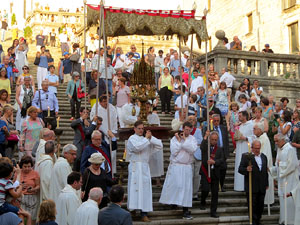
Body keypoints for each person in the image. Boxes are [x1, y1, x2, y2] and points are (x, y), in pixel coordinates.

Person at [126, 120, 163, 222]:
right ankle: (133, 210)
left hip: (144, 167)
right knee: (134, 189)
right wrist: (147, 139)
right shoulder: (131, 138)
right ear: (134, 129)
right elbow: (137, 148)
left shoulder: (146, 139)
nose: (141, 130)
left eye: (143, 128)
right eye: (139, 128)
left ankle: (144, 213)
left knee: (145, 190)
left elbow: (159, 145)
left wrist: (151, 138)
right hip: (135, 166)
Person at [159, 121, 197, 219]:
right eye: (186, 129)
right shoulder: (174, 138)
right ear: (183, 128)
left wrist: (184, 141)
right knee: (175, 186)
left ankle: (185, 209)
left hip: (186, 166)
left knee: (186, 188)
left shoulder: (192, 139)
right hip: (176, 166)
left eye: (189, 130)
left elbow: (192, 149)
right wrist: (180, 141)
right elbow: (174, 151)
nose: (187, 131)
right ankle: (173, 203)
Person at [270, 134, 299, 225]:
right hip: (283, 179)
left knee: (289, 201)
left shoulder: (290, 149)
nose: (275, 143)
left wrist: (280, 165)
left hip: (290, 180)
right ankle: (283, 220)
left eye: (277, 141)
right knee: (283, 201)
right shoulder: (279, 150)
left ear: (283, 140)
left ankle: (290, 221)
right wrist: (272, 169)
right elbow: (278, 165)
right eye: (274, 141)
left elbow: (293, 165)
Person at [238, 140, 269, 225]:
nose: (257, 150)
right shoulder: (246, 157)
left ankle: (258, 220)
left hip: (262, 186)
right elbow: (240, 169)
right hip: (251, 186)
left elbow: (265, 171)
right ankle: (254, 221)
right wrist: (246, 169)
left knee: (261, 205)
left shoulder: (264, 157)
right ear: (251, 148)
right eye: (255, 148)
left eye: (258, 148)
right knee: (252, 206)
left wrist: (266, 183)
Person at [199, 131, 225, 218]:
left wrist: (215, 162)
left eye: (215, 140)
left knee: (215, 193)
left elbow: (222, 160)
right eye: (212, 139)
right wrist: (205, 136)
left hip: (215, 173)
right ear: (210, 139)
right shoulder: (206, 146)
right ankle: (203, 201)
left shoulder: (220, 149)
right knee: (205, 189)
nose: (214, 141)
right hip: (205, 171)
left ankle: (213, 211)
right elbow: (201, 147)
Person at [253, 123, 274, 205]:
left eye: (255, 129)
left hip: (264, 165)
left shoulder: (264, 139)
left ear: (260, 130)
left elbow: (264, 153)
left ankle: (267, 201)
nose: (253, 130)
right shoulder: (259, 138)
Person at [234, 110, 255, 191]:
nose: (238, 117)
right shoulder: (240, 125)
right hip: (239, 147)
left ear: (245, 116)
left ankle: (246, 186)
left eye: (240, 116)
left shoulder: (251, 124)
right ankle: (239, 186)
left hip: (247, 147)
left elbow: (254, 137)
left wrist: (246, 138)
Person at [19, 156, 40, 224]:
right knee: (21, 217)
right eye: (25, 166)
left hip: (32, 198)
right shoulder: (18, 173)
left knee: (31, 217)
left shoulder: (35, 173)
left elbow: (38, 186)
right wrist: (20, 186)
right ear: (21, 165)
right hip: (20, 198)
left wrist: (33, 189)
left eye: (29, 166)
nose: (27, 168)